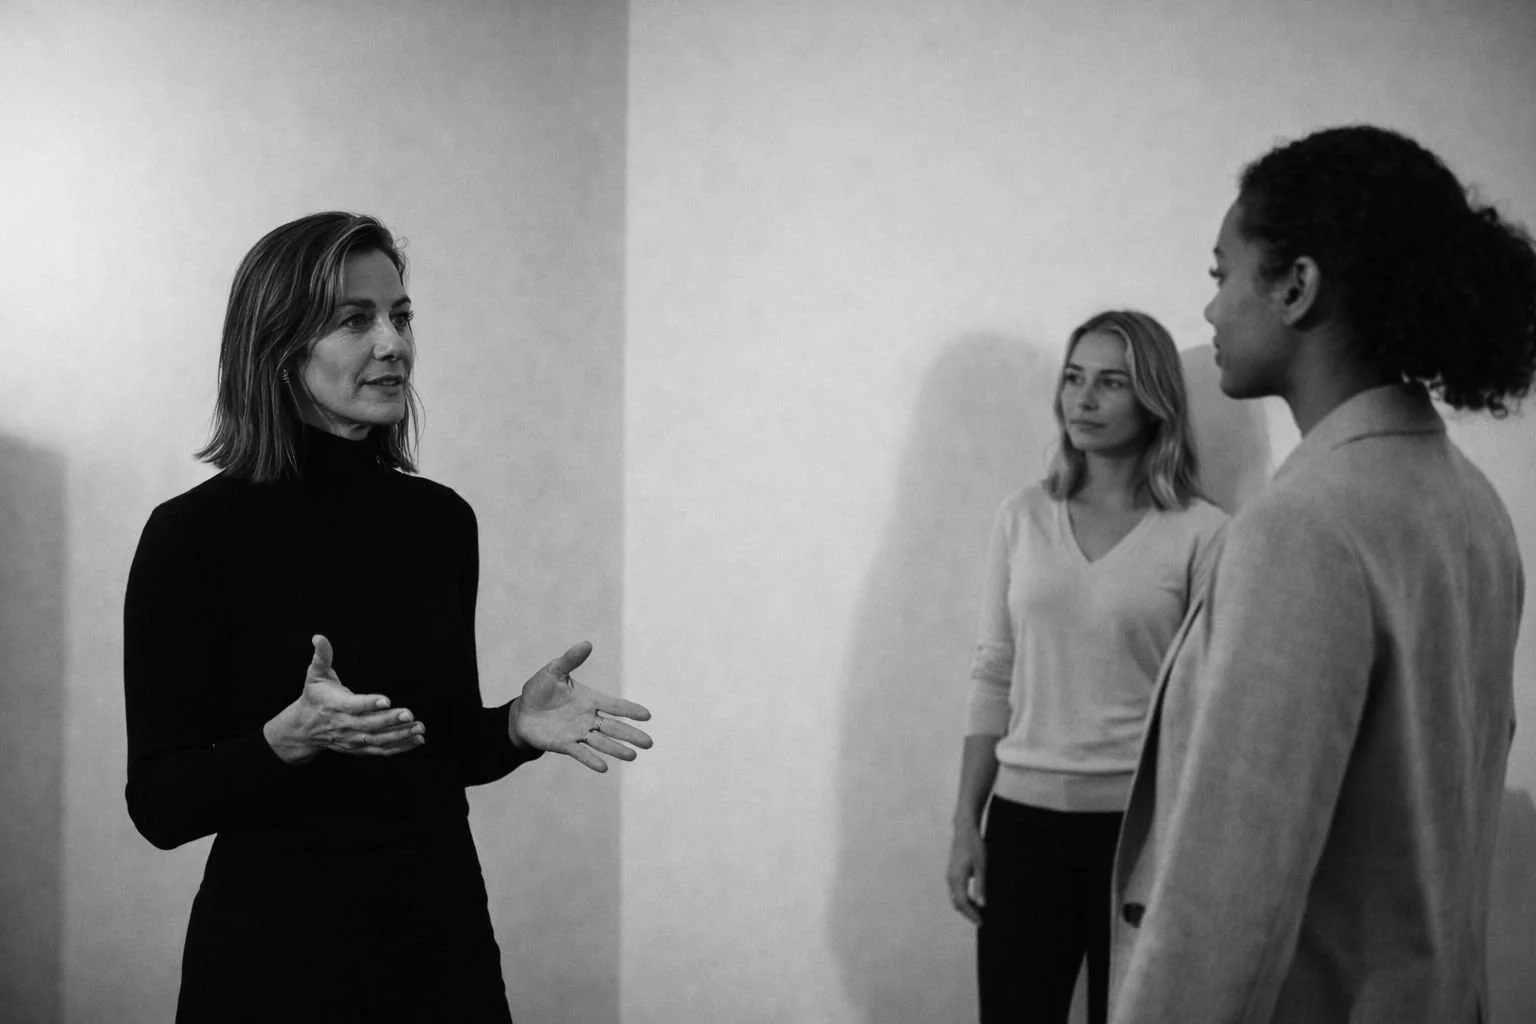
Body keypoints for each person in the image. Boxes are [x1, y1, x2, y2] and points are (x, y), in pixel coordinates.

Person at [123, 212, 652, 1023]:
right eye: (354, 319)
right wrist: (288, 739)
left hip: (441, 949)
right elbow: (159, 805)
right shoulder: (191, 536)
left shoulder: (440, 521)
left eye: (400, 315)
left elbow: (428, 748)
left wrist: (512, 726)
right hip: (273, 964)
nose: (393, 343)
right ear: (277, 344)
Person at [1110, 125, 1534, 1023]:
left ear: (1297, 286)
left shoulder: (1304, 528)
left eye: (1223, 275)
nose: (1213, 312)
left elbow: (1227, 904)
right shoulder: (1471, 506)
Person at [946, 310, 1227, 1024]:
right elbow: (993, 673)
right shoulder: (1022, 517)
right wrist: (965, 821)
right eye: (1074, 379)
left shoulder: (1205, 534)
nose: (1083, 399)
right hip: (1021, 828)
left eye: (1110, 383)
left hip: (1140, 838)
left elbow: (1211, 703)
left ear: (1155, 399)